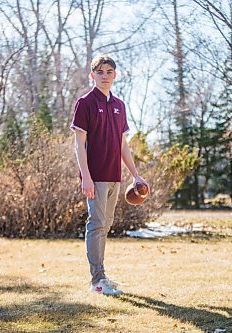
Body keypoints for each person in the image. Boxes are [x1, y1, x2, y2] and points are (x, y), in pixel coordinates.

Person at [71, 54, 148, 296]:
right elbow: (79, 144)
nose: (105, 76)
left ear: (115, 75)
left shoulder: (120, 106)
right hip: (95, 177)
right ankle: (97, 280)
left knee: (106, 225)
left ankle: (101, 274)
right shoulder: (85, 103)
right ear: (92, 75)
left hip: (115, 176)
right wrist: (86, 176)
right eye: (100, 72)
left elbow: (122, 145)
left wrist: (135, 175)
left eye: (109, 72)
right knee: (96, 225)